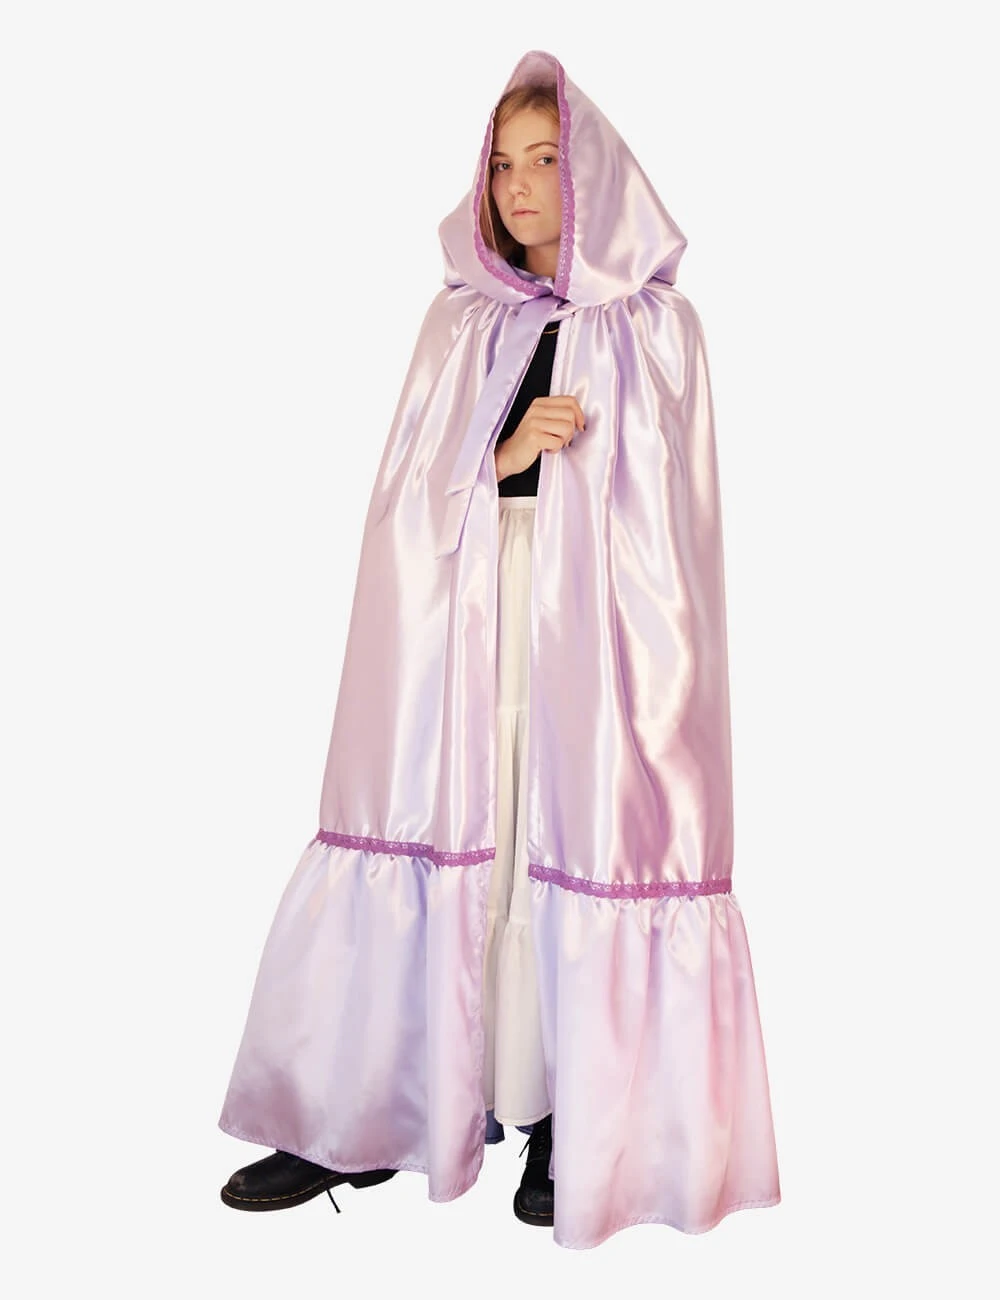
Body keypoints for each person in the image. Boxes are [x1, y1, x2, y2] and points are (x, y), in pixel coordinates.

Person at [218, 50, 780, 1251]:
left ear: (593, 177)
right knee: (443, 819)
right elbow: (406, 500)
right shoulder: (458, 322)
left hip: (595, 637)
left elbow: (670, 527)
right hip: (461, 620)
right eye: (503, 165)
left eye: (545, 162)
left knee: (558, 832)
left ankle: (576, 1114)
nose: (520, 187)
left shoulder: (654, 329)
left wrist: (556, 475)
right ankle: (366, 1106)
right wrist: (506, 451)